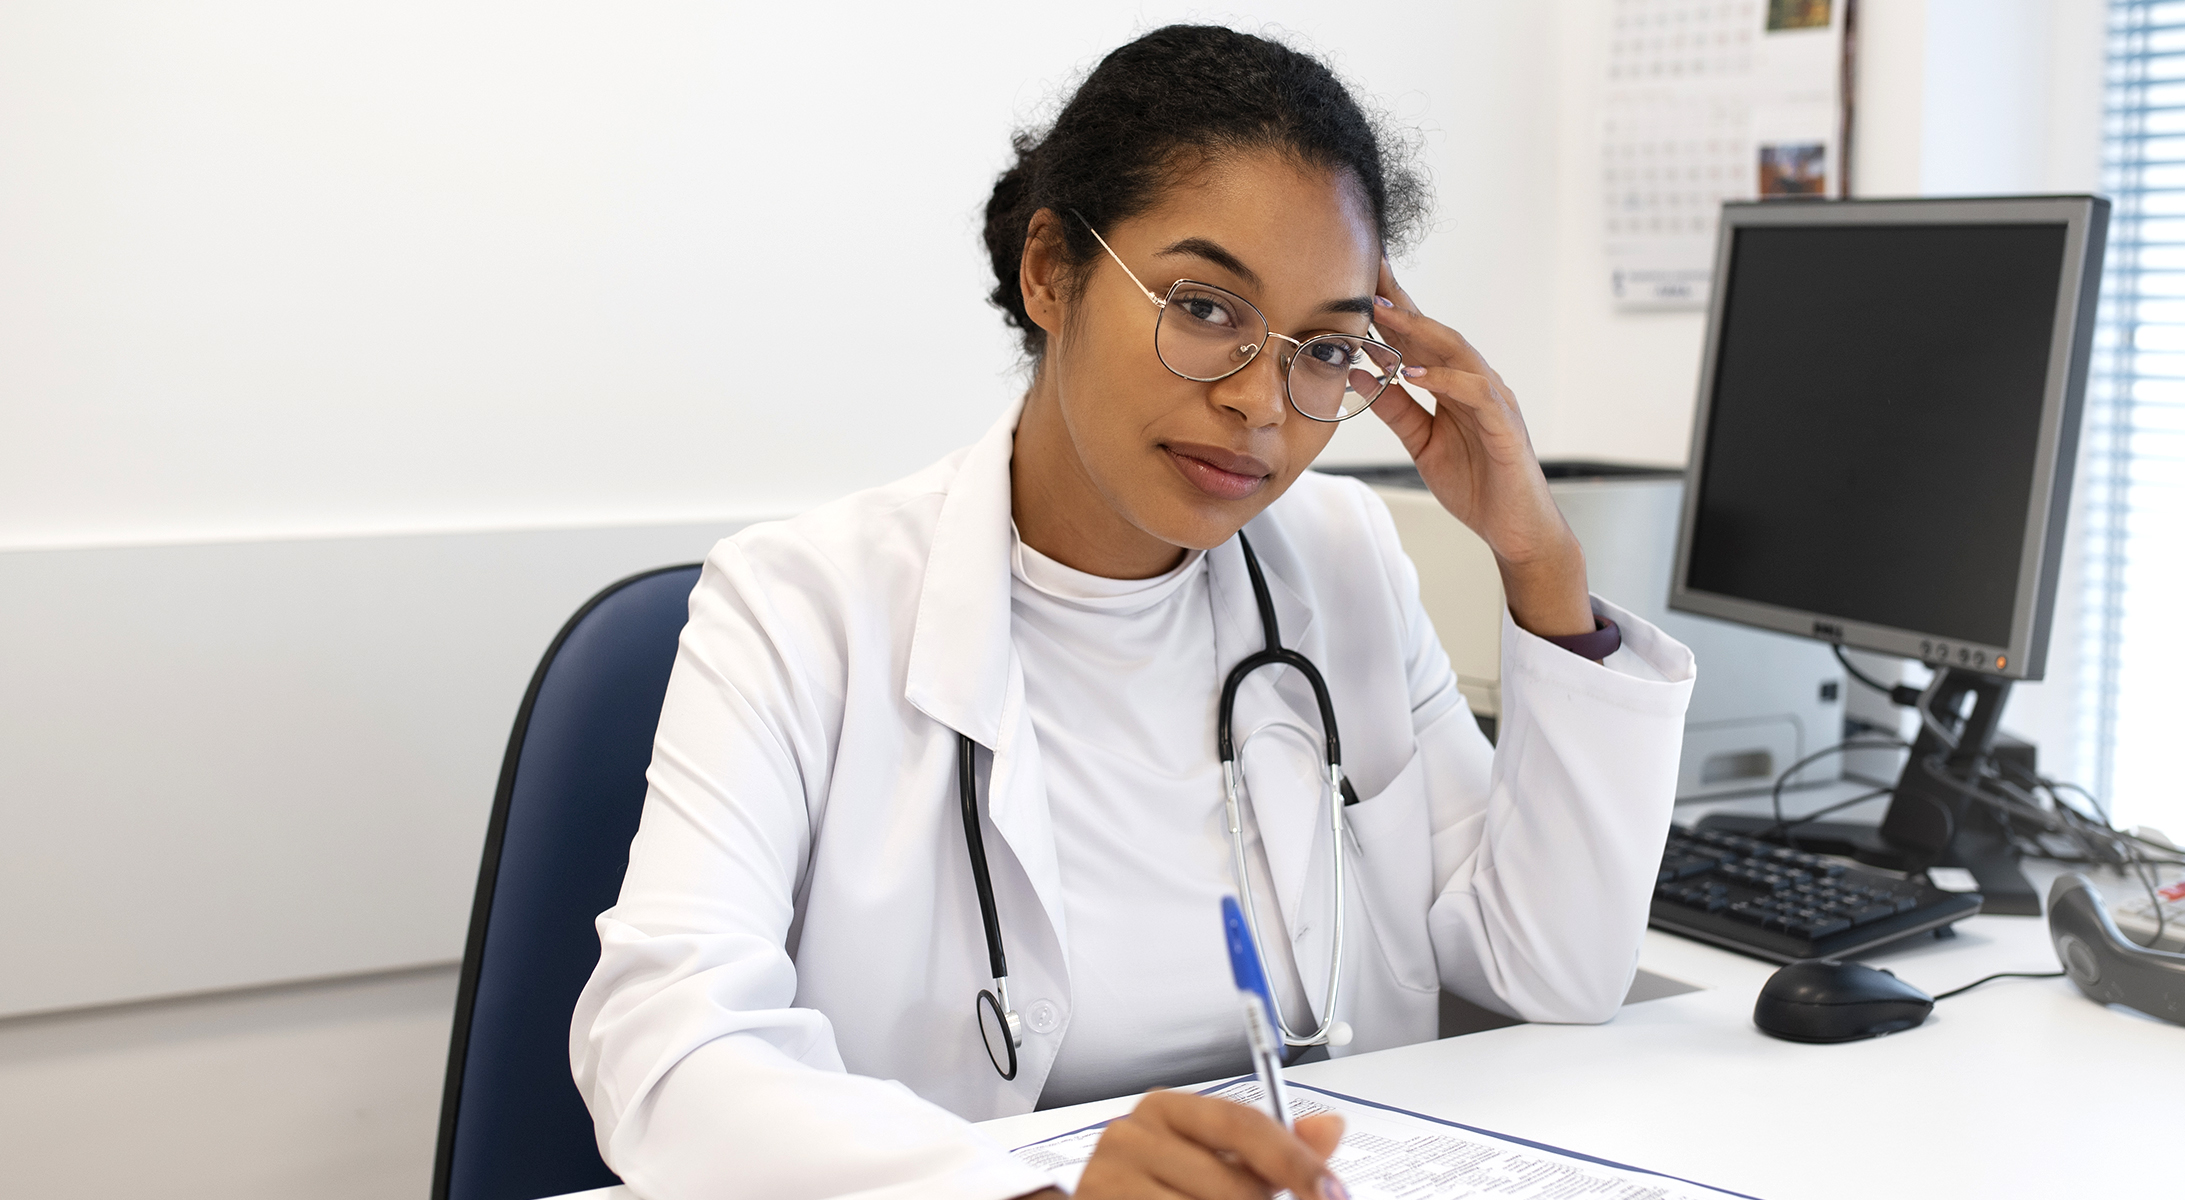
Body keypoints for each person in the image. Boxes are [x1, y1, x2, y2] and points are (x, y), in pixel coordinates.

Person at [570, 24, 1694, 1200]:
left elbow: (1556, 973)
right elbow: (665, 1043)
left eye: (1322, 347)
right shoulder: (803, 603)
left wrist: (1541, 564)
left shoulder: (1345, 557)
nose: (1262, 403)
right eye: (1205, 308)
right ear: (1051, 271)